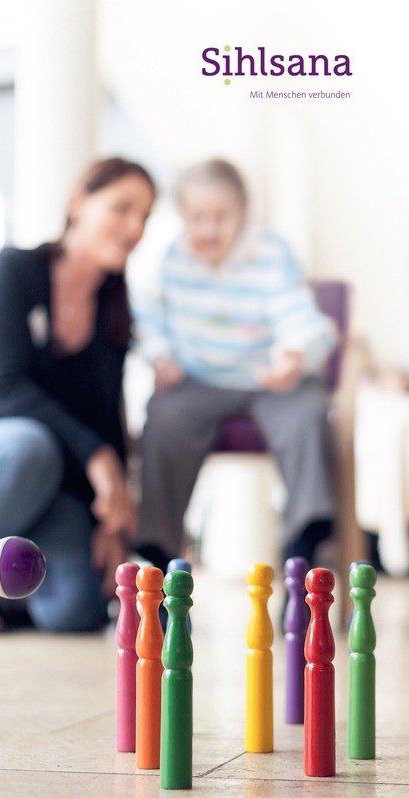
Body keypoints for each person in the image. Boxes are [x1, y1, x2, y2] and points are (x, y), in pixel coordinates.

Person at [0, 157, 156, 634]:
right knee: (26, 445)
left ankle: (11, 594)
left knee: (76, 614)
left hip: (55, 486)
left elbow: (107, 417)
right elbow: (6, 390)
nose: (134, 227)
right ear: (78, 202)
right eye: (122, 208)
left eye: (144, 217)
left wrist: (114, 525)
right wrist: (99, 458)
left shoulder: (113, 310)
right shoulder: (10, 272)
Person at [133, 158, 337, 574]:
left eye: (220, 217)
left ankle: (305, 539)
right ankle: (158, 548)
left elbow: (296, 312)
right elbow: (151, 318)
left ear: (243, 214)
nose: (208, 230)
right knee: (164, 414)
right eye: (197, 218)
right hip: (198, 378)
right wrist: (161, 356)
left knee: (307, 412)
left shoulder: (271, 253)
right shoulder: (173, 258)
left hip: (269, 376)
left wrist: (293, 354)